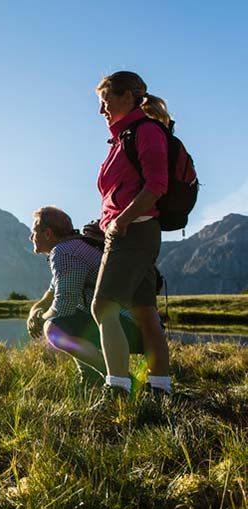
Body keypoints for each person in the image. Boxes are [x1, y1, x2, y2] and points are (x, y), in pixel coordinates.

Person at [92, 71, 172, 397]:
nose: (102, 110)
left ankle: (118, 390)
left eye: (105, 100)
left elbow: (157, 186)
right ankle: (160, 389)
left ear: (127, 97)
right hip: (134, 232)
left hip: (133, 233)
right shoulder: (123, 137)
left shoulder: (146, 131)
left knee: (103, 306)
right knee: (144, 313)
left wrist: (121, 222)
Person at [27, 206, 141, 382]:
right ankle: (89, 377)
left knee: (54, 328)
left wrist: (41, 319)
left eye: (34, 232)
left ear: (48, 233)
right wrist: (34, 312)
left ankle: (119, 377)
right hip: (133, 324)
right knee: (71, 320)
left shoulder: (63, 253)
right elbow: (50, 293)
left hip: (126, 326)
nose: (31, 237)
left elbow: (63, 306)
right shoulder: (74, 247)